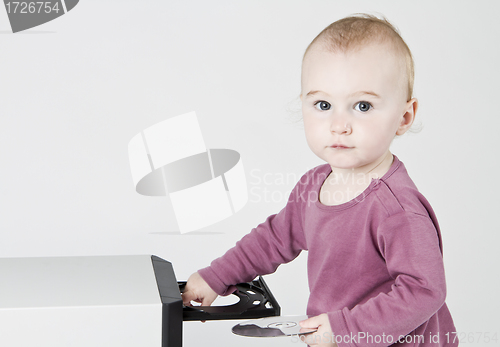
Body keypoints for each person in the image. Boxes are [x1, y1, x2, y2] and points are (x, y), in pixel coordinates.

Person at [182, 14, 457, 347]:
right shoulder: (313, 185)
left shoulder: (396, 208)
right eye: (323, 104)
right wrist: (217, 276)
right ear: (303, 106)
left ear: (404, 117)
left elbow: (424, 291)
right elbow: (272, 240)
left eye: (363, 105)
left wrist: (344, 329)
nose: (339, 124)